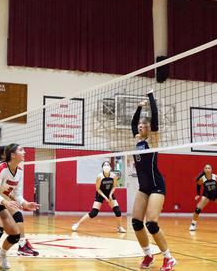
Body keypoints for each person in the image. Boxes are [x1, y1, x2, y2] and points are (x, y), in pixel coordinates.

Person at [131, 90, 176, 271]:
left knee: (151, 223)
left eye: (144, 125)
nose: (140, 127)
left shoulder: (153, 140)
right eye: (140, 126)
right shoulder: (137, 140)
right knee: (136, 222)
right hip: (144, 187)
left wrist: (150, 98)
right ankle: (148, 255)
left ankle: (169, 258)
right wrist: (139, 108)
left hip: (157, 185)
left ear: (149, 129)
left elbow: (155, 118)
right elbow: (133, 123)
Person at [0, 144, 39, 270]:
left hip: (1, 201)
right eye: (21, 150)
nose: (24, 152)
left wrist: (26, 204)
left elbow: (17, 194)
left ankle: (1, 254)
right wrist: (5, 202)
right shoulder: (2, 167)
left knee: (15, 234)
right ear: (13, 155)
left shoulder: (19, 171)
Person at [71, 161, 126, 233]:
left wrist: (110, 195)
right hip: (100, 194)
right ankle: (77, 224)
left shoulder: (113, 176)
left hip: (109, 193)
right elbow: (97, 189)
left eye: (108, 165)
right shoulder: (99, 176)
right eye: (105, 165)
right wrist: (105, 197)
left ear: (110, 167)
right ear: (102, 168)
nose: (106, 166)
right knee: (93, 213)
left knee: (118, 211)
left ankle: (120, 227)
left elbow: (114, 186)